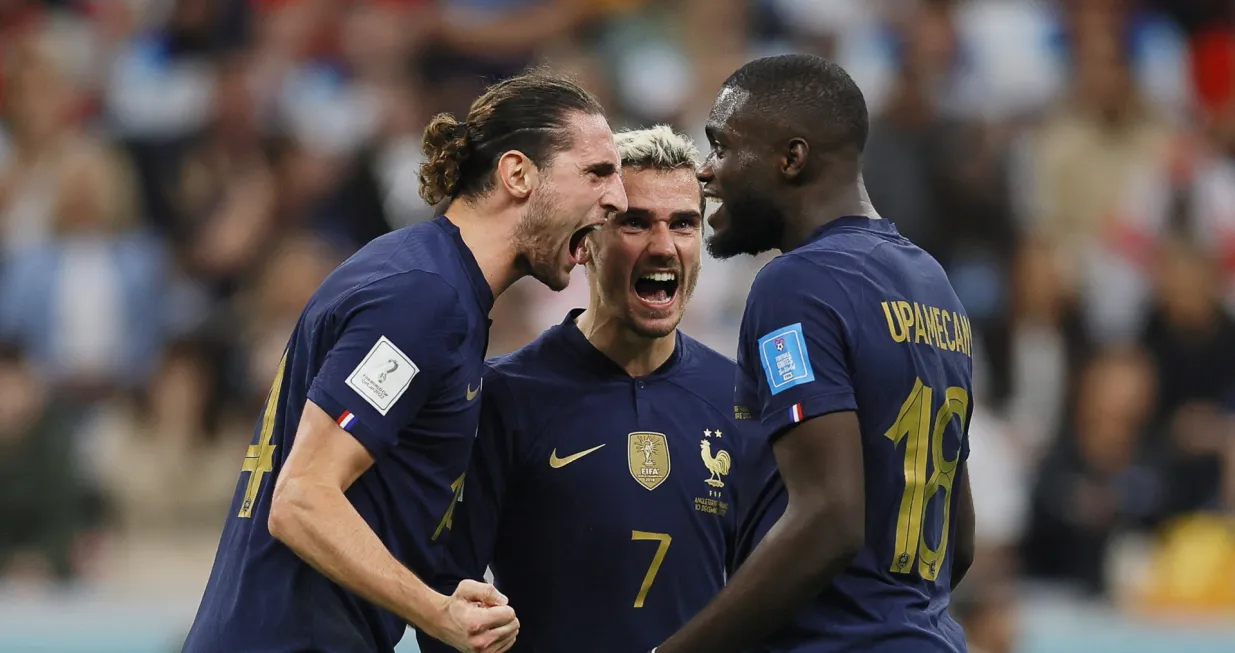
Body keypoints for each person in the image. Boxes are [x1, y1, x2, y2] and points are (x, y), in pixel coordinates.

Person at [181, 70, 628, 653]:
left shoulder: (433, 282)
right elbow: (302, 499)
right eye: (597, 173)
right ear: (518, 174)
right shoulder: (423, 299)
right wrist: (438, 614)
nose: (617, 199)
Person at [651, 54, 976, 653]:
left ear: (791, 158)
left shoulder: (797, 284)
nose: (706, 171)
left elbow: (829, 520)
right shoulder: (932, 284)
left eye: (722, 146)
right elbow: (959, 540)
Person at [416, 125, 776, 653]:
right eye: (635, 222)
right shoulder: (504, 397)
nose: (663, 246)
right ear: (585, 241)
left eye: (683, 224)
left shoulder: (741, 401)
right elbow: (449, 601)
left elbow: (768, 600)